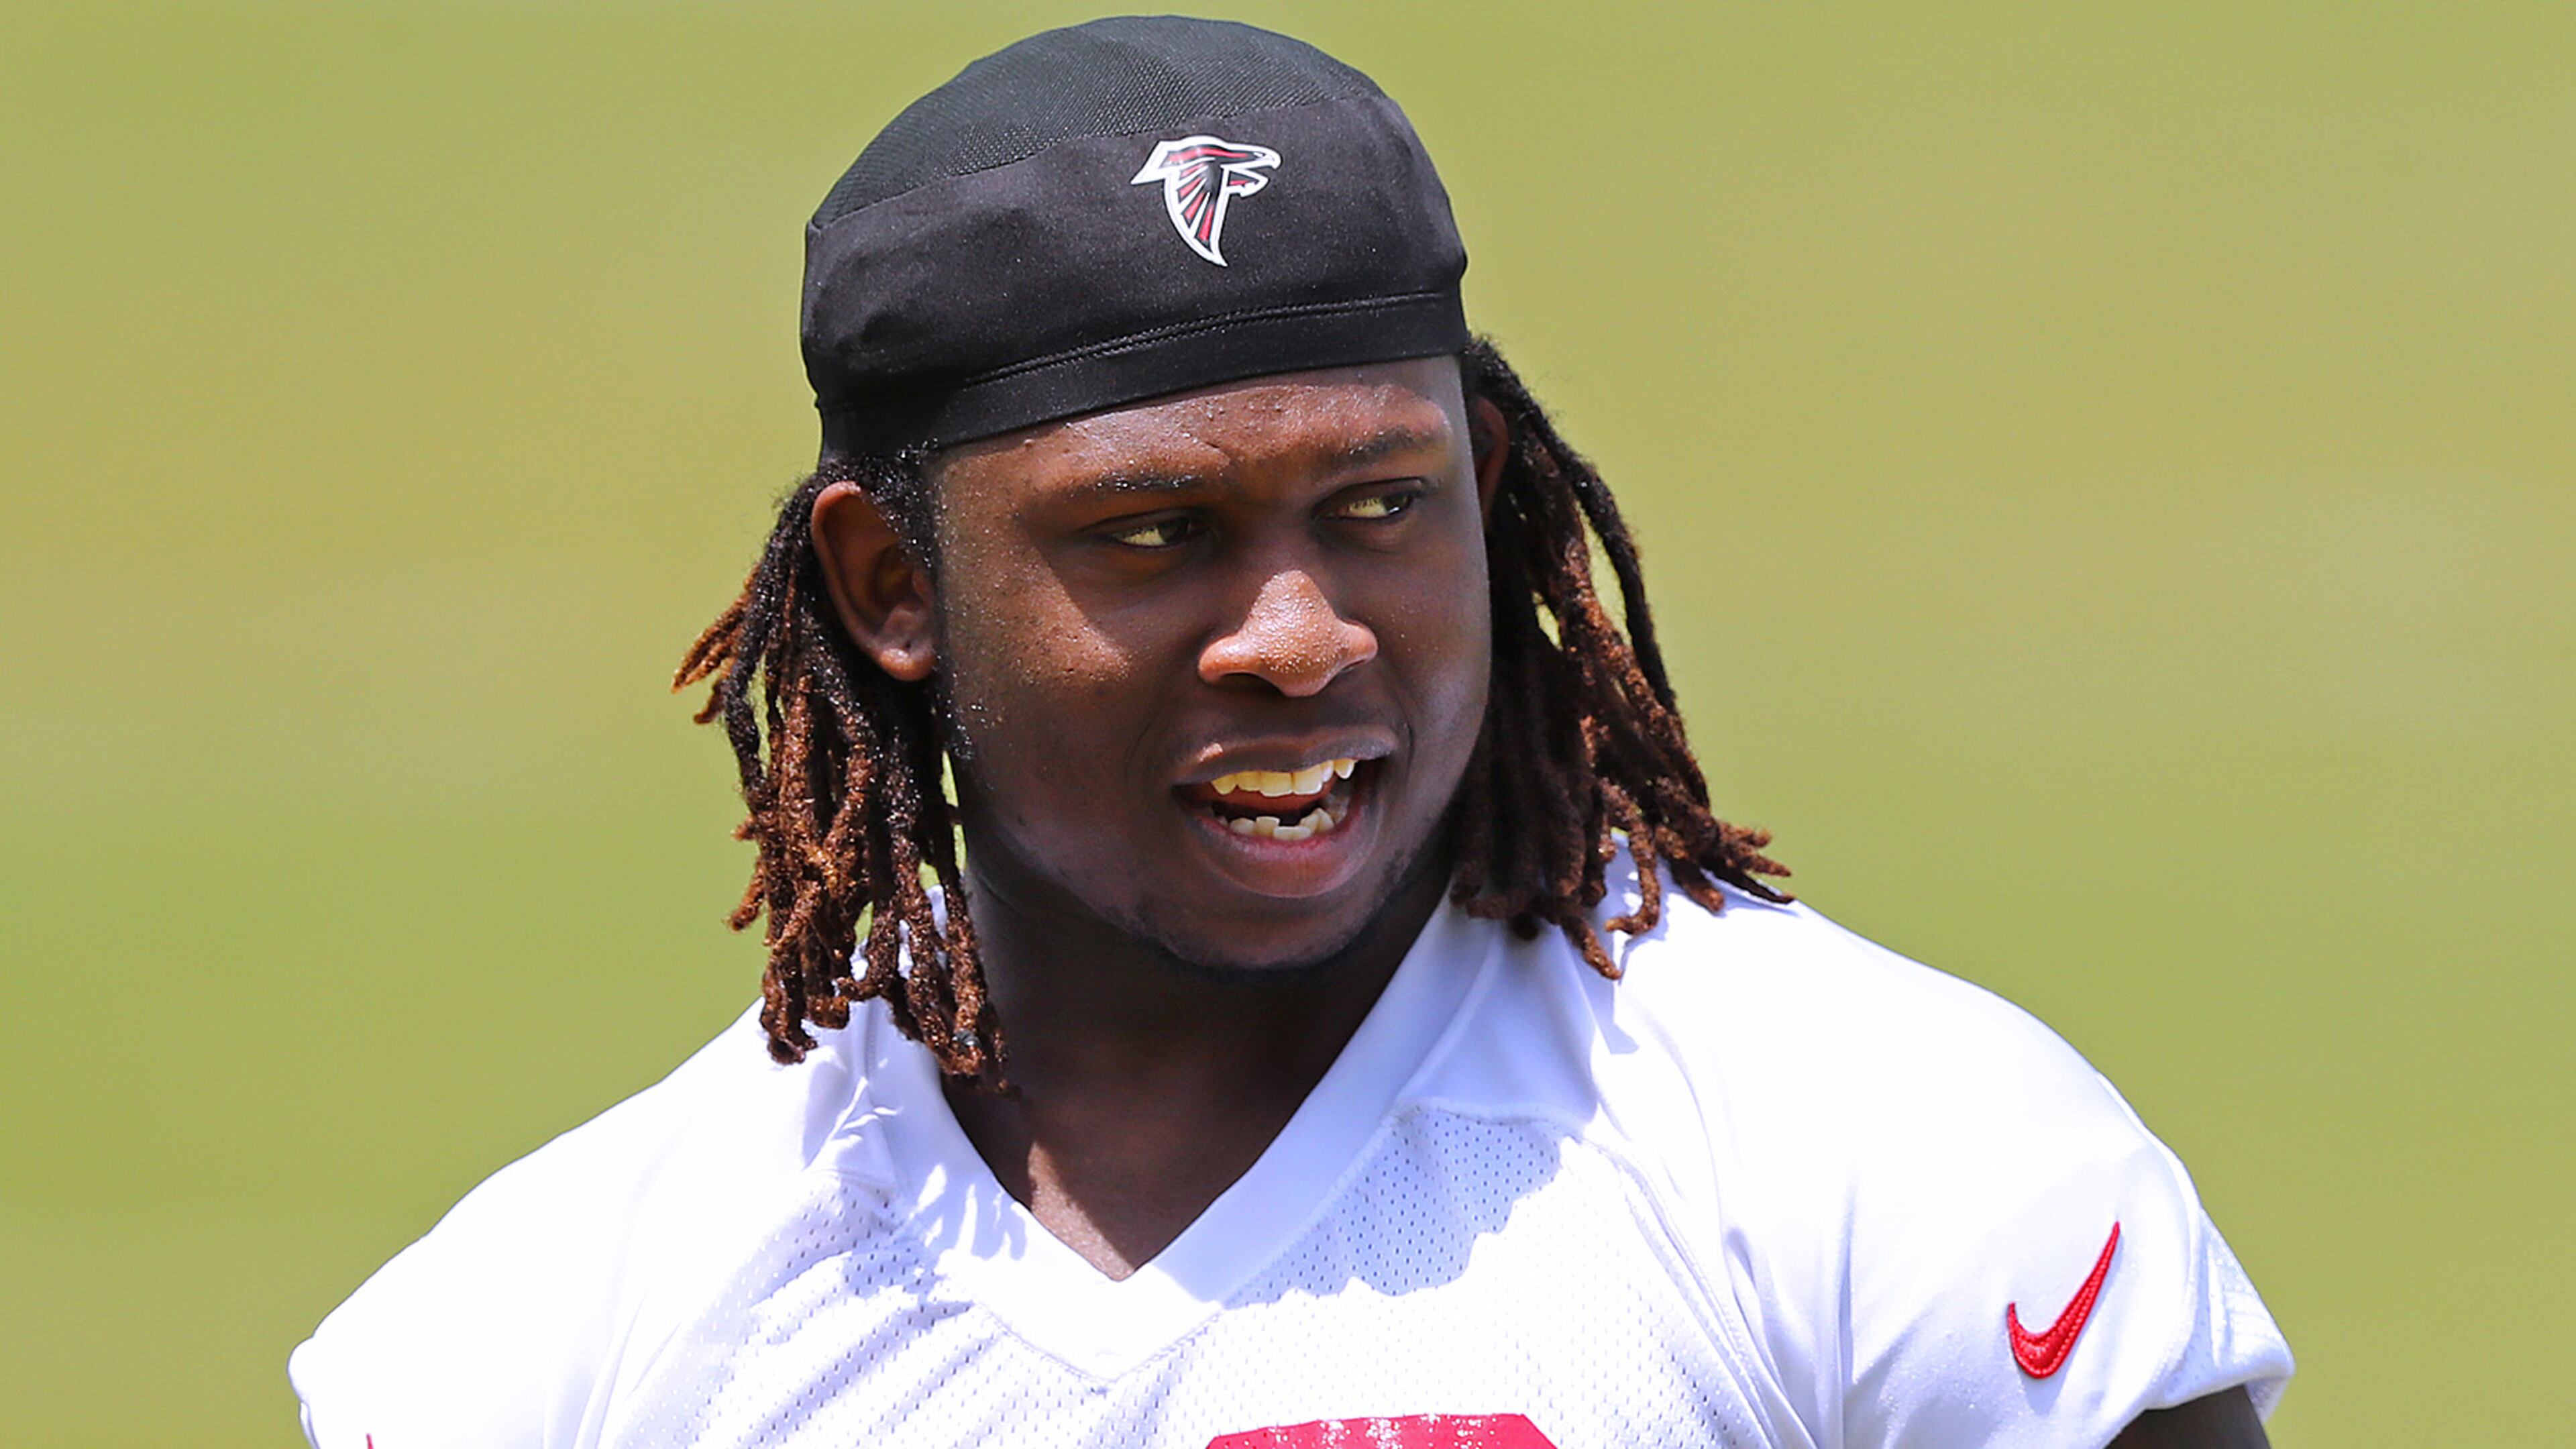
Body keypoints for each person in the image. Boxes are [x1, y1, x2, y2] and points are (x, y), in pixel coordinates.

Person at [289, 17, 2292, 1448]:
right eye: (1153, 536)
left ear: (1488, 484)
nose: (1298, 632)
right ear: (894, 589)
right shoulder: (560, 1332)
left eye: (1380, 506)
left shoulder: (1898, 1170)